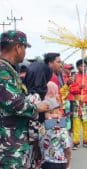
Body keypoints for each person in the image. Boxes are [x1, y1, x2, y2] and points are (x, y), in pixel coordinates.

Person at [0, 30, 49, 168]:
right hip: (7, 145)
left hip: (12, 140)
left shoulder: (8, 69)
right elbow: (14, 103)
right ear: (18, 47)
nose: (25, 52)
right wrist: (37, 107)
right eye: (25, 48)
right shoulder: (2, 70)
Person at [39, 81, 71, 169]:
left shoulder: (40, 126)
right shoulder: (61, 128)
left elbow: (37, 144)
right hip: (59, 163)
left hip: (45, 162)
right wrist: (68, 164)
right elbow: (67, 149)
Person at [70, 59, 87, 149]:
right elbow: (71, 90)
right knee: (76, 123)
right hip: (77, 102)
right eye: (81, 66)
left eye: (85, 66)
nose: (83, 67)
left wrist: (86, 99)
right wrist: (79, 87)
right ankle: (76, 142)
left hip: (86, 102)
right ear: (78, 67)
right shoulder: (74, 77)